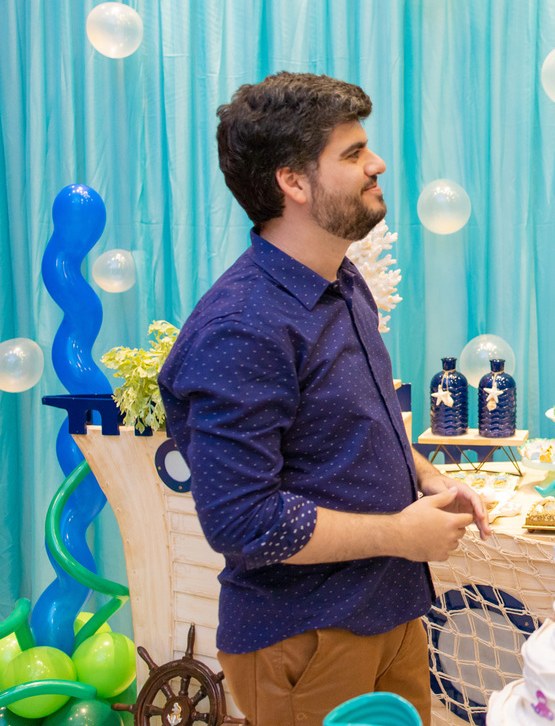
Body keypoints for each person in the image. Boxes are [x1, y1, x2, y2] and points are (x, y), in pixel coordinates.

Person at [158, 72, 490, 726]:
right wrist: (400, 533)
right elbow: (244, 520)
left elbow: (356, 423)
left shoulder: (341, 279)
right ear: (294, 182)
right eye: (352, 153)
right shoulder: (242, 328)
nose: (378, 164)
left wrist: (424, 479)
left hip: (387, 612)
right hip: (307, 639)